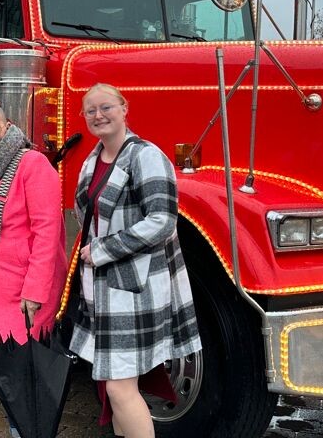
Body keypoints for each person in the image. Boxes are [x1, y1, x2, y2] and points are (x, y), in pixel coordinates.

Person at [72, 83, 201, 438]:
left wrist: (104, 250)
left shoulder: (146, 156)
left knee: (118, 388)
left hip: (134, 290)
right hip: (102, 292)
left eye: (106, 107)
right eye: (91, 111)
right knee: (114, 389)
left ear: (124, 108)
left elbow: (162, 221)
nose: (99, 116)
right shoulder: (92, 160)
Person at [0, 92, 67, 437]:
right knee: (6, 378)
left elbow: (48, 232)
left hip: (24, 294)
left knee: (28, 385)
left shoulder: (32, 164)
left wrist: (35, 292)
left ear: (8, 127)